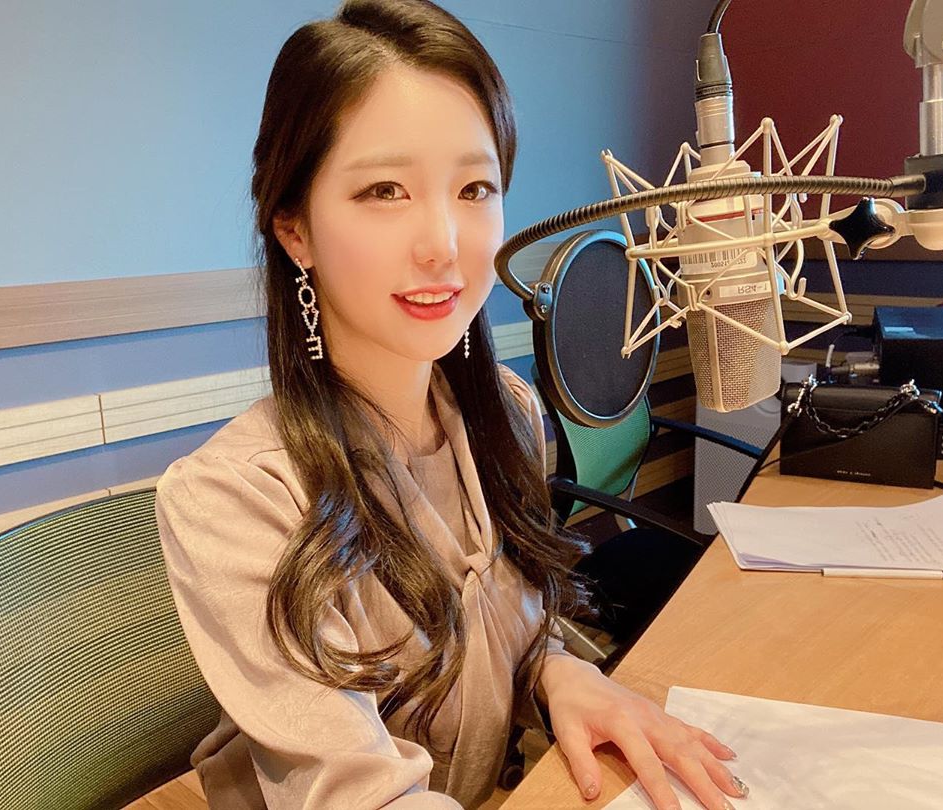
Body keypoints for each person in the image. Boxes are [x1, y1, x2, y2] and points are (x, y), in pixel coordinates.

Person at [154, 1, 749, 808]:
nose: (443, 244)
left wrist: (558, 672)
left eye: (474, 188)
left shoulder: (507, 415)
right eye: (384, 190)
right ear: (295, 230)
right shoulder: (235, 496)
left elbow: (510, 628)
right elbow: (361, 796)